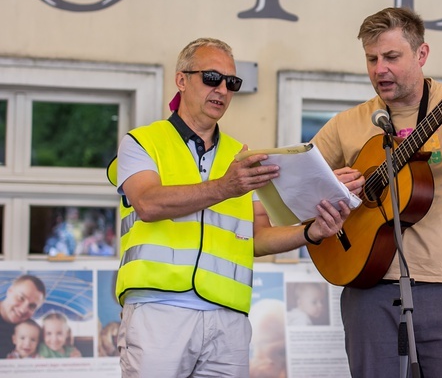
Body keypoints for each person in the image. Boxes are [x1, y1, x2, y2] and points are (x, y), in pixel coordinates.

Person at [109, 37, 351, 378]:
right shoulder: (142, 142)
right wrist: (226, 186)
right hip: (158, 310)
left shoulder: (243, 156)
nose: (222, 89)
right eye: (211, 77)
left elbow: (258, 236)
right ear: (182, 80)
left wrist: (310, 232)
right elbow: (148, 203)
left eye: (231, 82)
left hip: (229, 318)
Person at [311, 7, 442, 377]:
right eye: (372, 59)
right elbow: (301, 192)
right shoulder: (347, 124)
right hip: (369, 288)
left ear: (421, 55)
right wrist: (334, 191)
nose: (380, 69)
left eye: (392, 57)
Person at [0, 275, 46, 358]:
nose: (23, 309)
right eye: (21, 298)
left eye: (32, 306)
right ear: (9, 291)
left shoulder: (30, 329)